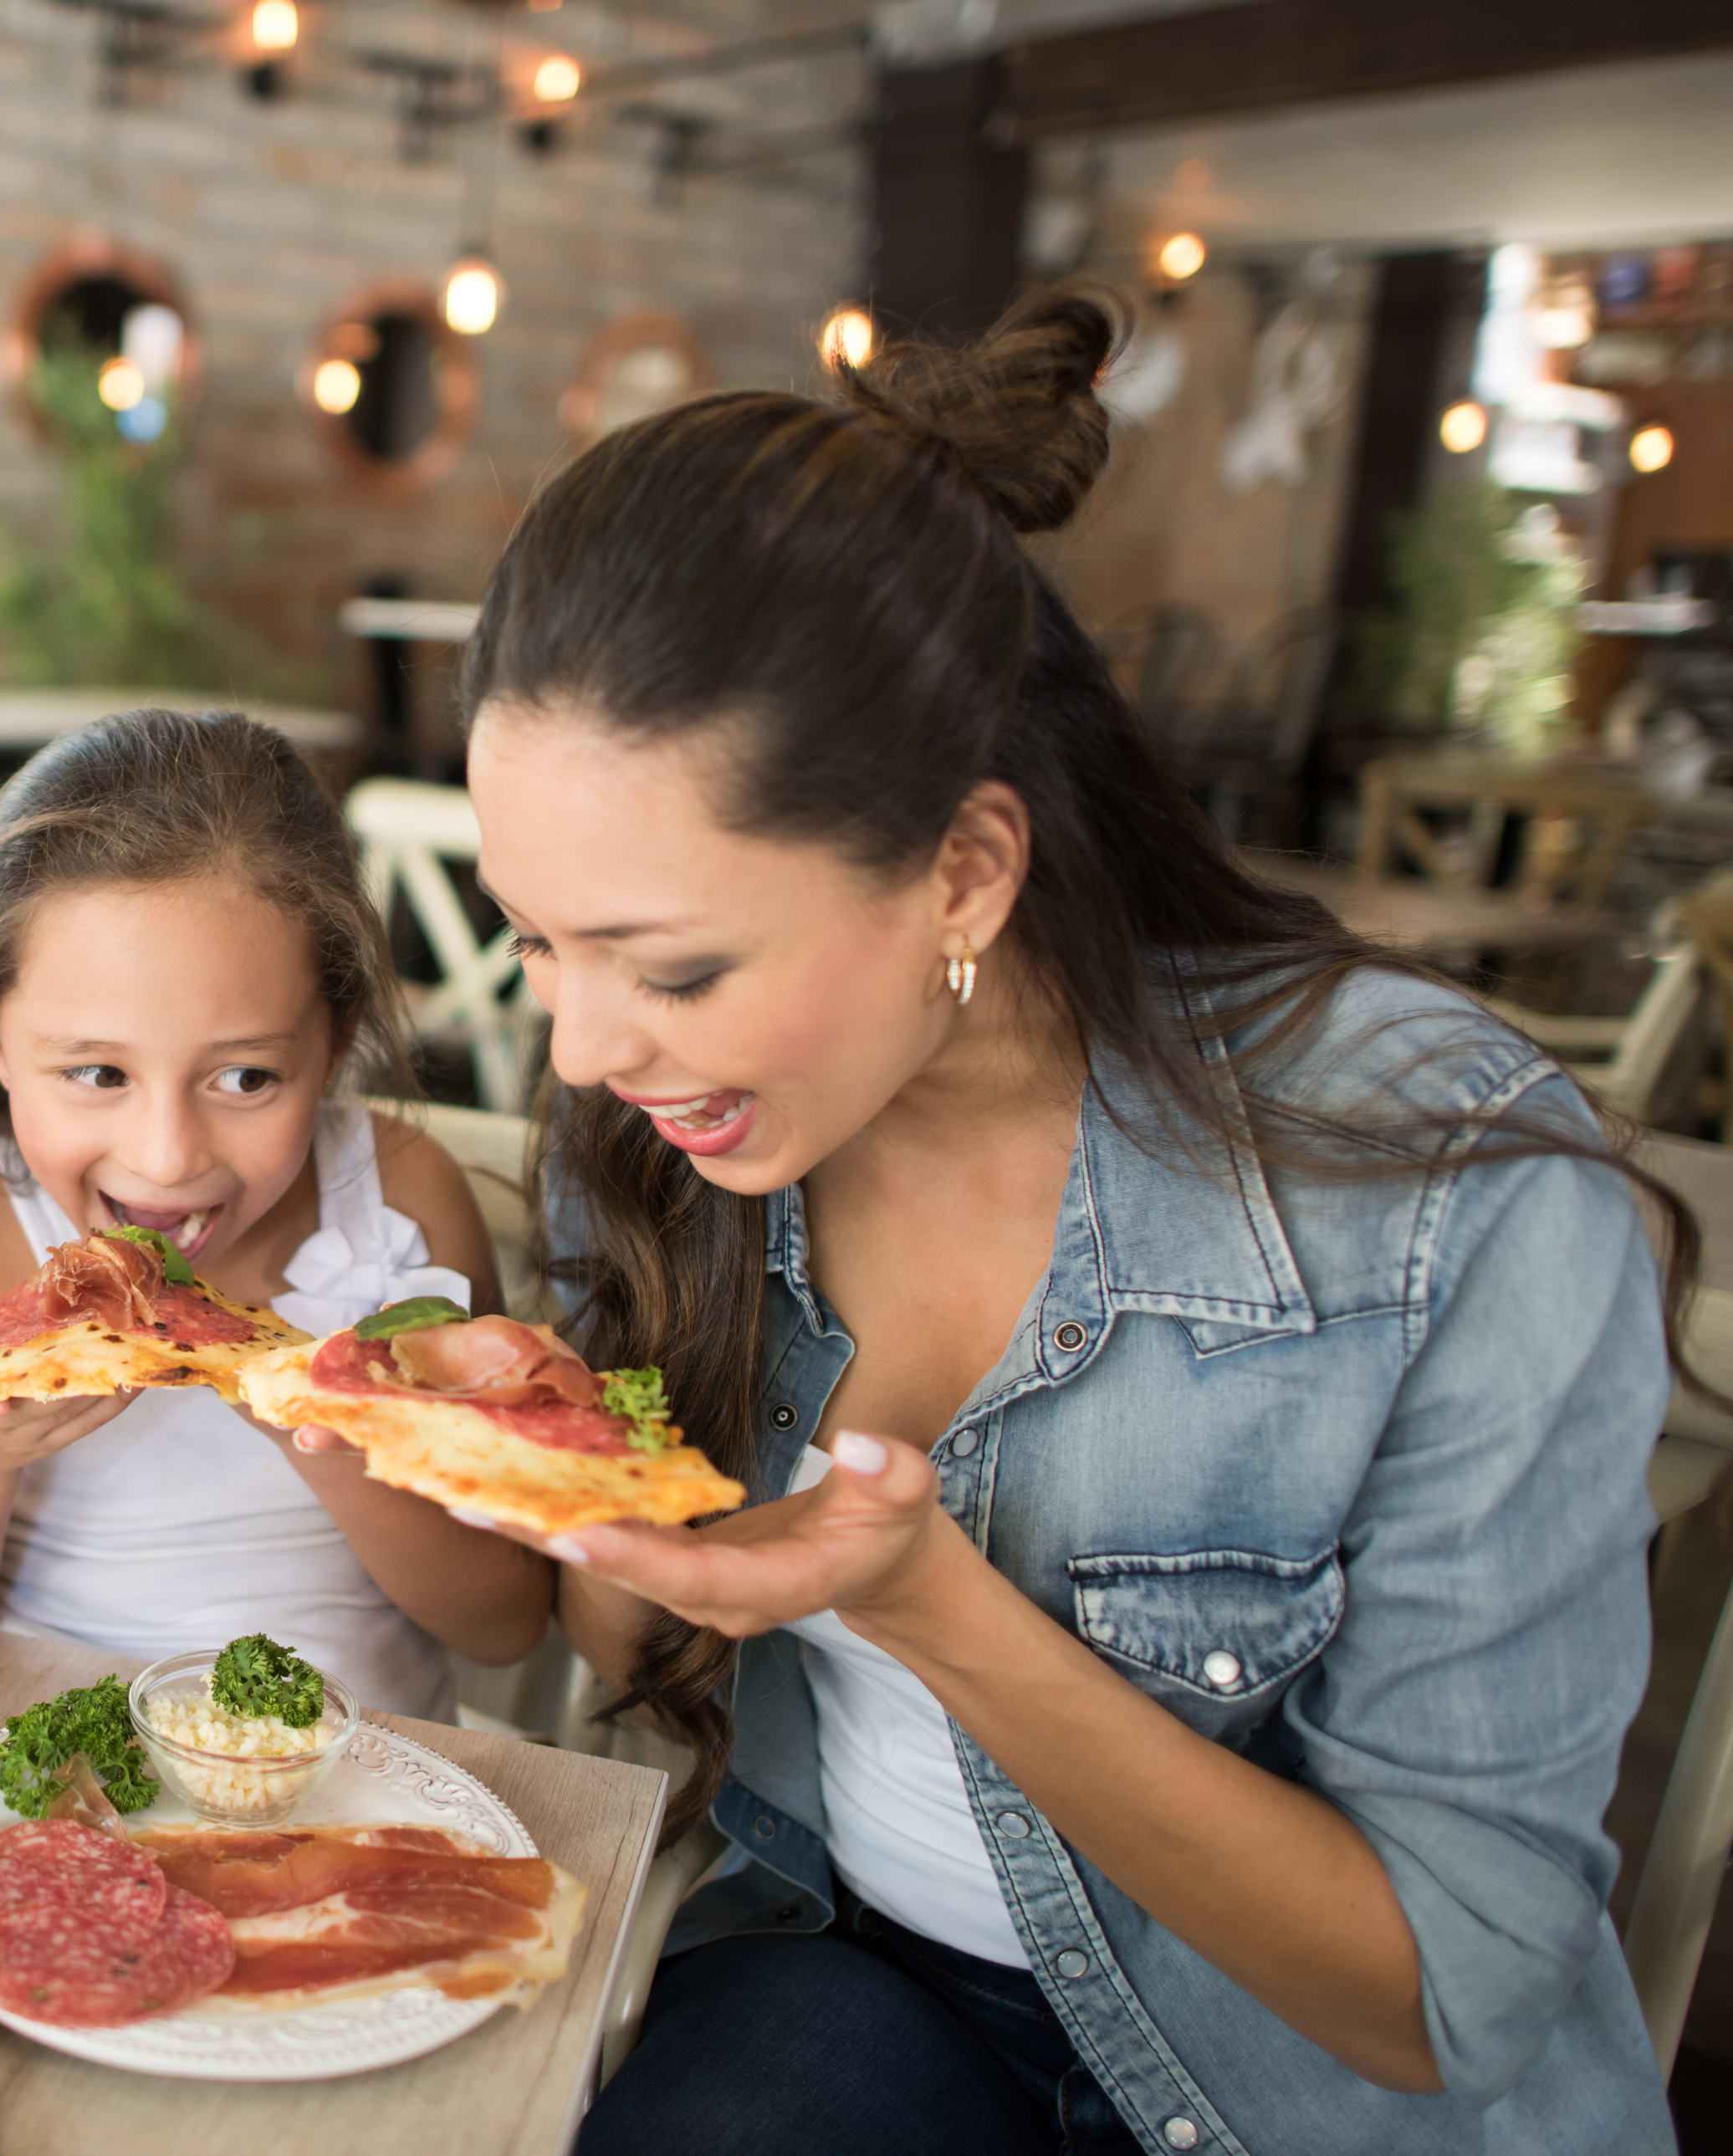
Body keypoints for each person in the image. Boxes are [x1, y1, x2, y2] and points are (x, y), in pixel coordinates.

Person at [435, 290, 1683, 2153]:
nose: (589, 1042)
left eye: (671, 962)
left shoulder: (1449, 1186)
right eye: (534, 936)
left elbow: (1452, 1997)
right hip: (847, 1971)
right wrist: (569, 1460)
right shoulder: (663, 1129)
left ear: (967, 865)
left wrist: (938, 1609)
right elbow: (649, 1671)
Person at [0, 708, 550, 1717]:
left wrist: (342, 1442)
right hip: (45, 1794)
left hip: (364, 1803)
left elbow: (504, 1623)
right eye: (97, 1073)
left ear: (336, 1038)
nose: (167, 1157)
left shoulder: (405, 1203)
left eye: (247, 1077)